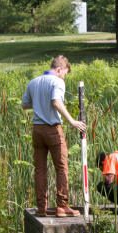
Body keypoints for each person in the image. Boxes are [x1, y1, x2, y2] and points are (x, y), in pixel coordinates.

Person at [21, 55, 86, 217]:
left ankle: (41, 207)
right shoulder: (57, 81)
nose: (64, 76)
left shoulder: (33, 82)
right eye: (64, 73)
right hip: (53, 130)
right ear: (59, 69)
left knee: (40, 169)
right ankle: (62, 206)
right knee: (61, 168)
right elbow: (56, 102)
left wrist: (39, 103)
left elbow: (24, 104)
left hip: (37, 130)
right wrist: (72, 121)